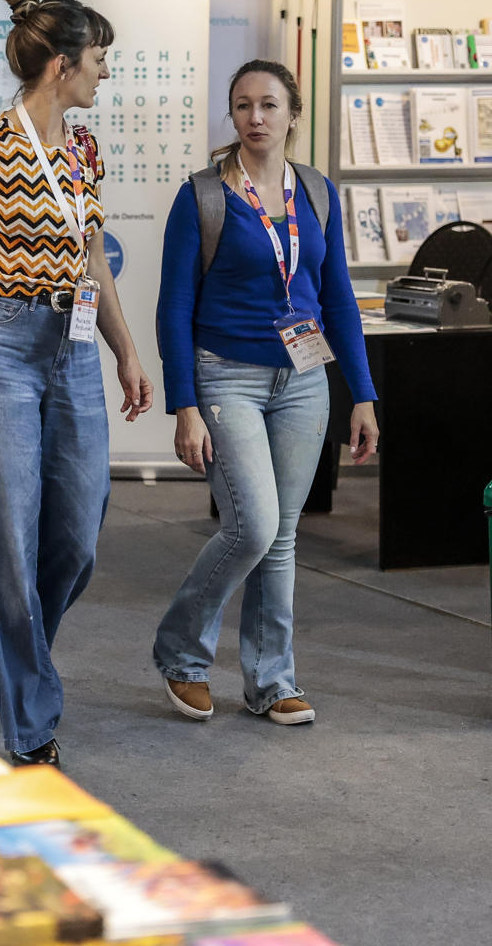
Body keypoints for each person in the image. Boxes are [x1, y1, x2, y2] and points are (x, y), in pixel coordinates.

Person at [0, 0, 154, 767]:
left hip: (73, 343)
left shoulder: (84, 151)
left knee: (78, 534)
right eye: (98, 60)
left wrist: (126, 351)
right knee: (8, 538)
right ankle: (30, 722)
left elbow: (95, 261)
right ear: (63, 65)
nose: (105, 73)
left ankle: (11, 640)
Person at [153, 59, 379, 728]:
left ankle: (272, 681)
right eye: (244, 105)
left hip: (304, 380)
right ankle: (182, 652)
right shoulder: (202, 196)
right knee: (252, 525)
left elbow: (337, 298)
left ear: (292, 115)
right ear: (233, 115)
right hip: (227, 375)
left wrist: (362, 394)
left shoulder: (317, 192)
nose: (256, 117)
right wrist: (184, 405)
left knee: (281, 537)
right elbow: (173, 308)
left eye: (270, 104)